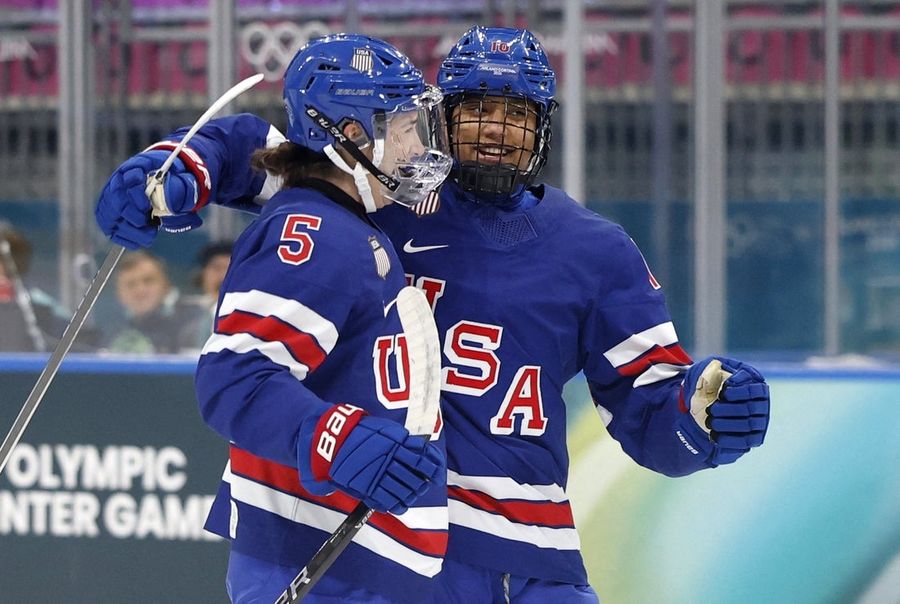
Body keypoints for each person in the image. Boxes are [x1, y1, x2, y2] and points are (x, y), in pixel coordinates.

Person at [95, 27, 771, 603]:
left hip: (525, 553)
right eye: (479, 110)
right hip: (363, 527)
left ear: (543, 127)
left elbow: (650, 408)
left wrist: (701, 417)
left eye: (517, 114)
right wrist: (173, 170)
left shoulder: (598, 252)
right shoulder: (378, 187)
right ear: (440, 114)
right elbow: (263, 150)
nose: (497, 132)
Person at [98, 34, 451, 603]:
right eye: (405, 129)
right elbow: (234, 377)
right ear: (352, 137)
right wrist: (337, 441)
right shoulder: (316, 237)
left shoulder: (345, 214)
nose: (417, 147)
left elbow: (251, 148)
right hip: (317, 556)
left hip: (362, 557)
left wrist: (186, 162)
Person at [102, 250, 200, 354]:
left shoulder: (192, 324)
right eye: (131, 284)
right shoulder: (108, 333)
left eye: (148, 280)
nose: (140, 290)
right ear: (119, 294)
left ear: (166, 286)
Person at [178, 240, 233, 352]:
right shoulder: (182, 312)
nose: (224, 276)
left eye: (230, 268)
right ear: (202, 275)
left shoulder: (254, 314)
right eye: (217, 268)